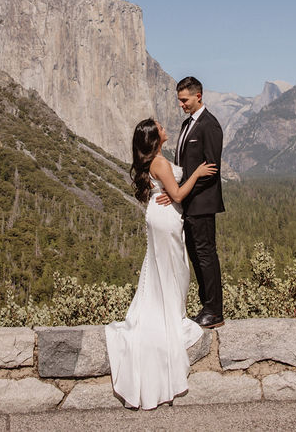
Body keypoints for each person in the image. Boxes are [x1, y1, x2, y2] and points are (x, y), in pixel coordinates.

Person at [105, 118, 218, 410]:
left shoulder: (155, 162)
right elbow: (178, 194)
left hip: (158, 214)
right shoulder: (160, 163)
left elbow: (169, 190)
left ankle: (167, 310)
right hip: (166, 218)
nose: (164, 127)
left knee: (162, 268)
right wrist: (198, 173)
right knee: (174, 270)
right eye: (160, 127)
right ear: (155, 138)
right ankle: (170, 316)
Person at [158, 76, 225, 329]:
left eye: (184, 100)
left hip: (203, 204)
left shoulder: (210, 125)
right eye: (179, 100)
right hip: (189, 204)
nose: (181, 105)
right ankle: (206, 307)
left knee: (207, 256)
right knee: (197, 257)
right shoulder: (188, 125)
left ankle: (215, 311)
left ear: (198, 96)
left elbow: (211, 169)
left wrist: (182, 194)